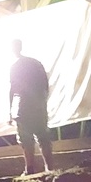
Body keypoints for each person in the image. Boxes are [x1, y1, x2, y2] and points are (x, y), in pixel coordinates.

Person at [8, 39, 54, 174]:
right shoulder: (36, 63)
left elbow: (13, 89)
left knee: (26, 139)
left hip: (25, 107)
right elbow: (45, 85)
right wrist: (42, 101)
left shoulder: (16, 67)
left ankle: (30, 169)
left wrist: (10, 111)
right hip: (38, 105)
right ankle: (49, 168)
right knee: (43, 137)